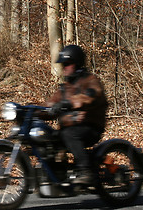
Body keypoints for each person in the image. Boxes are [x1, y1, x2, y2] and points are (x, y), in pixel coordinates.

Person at [42, 44, 108, 185]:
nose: (64, 67)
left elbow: (92, 95)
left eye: (67, 64)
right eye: (63, 64)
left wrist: (70, 103)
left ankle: (86, 172)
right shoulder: (65, 88)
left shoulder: (90, 80)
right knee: (46, 138)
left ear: (77, 63)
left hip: (90, 126)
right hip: (71, 127)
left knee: (68, 134)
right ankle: (55, 174)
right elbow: (50, 105)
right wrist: (29, 111)